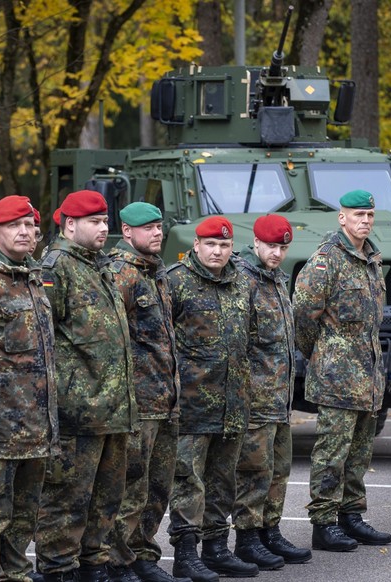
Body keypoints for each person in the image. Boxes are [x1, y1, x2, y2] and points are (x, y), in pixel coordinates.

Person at [35, 189, 136, 582]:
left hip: (113, 406)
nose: (103, 228)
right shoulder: (56, 267)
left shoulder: (100, 264)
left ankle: (94, 563)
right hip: (78, 410)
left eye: (105, 221)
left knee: (106, 497)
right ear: (70, 225)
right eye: (94, 222)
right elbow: (45, 338)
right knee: (67, 500)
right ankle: (59, 568)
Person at [293, 189, 391, 552]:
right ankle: (323, 522)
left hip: (368, 375)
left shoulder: (371, 259)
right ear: (342, 217)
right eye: (357, 214)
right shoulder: (326, 260)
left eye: (369, 214)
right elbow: (303, 314)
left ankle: (352, 515)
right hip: (337, 375)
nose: (364, 220)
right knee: (331, 452)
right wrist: (322, 352)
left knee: (360, 453)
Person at [0, 195, 57, 581]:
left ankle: (16, 568)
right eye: (15, 226)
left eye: (30, 226)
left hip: (37, 424)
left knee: (25, 510)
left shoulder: (35, 277)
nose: (25, 232)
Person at [166, 216, 257, 582]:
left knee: (223, 480)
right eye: (211, 245)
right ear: (197, 246)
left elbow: (248, 335)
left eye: (224, 245)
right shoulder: (175, 281)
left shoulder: (242, 281)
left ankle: (217, 549)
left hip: (232, 403)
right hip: (191, 402)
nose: (218, 251)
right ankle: (186, 555)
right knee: (188, 481)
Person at [106, 202, 186, 582]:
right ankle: (118, 560)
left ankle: (144, 555)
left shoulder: (157, 272)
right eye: (148, 227)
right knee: (131, 488)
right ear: (127, 232)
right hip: (138, 400)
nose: (157, 233)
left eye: (159, 227)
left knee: (158, 487)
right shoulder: (120, 274)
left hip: (165, 399)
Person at [231, 214, 311, 569]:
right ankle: (248, 537)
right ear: (257, 244)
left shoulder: (276, 280)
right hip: (255, 397)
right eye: (271, 246)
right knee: (253, 470)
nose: (277, 253)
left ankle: (270, 530)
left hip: (278, 397)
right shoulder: (243, 280)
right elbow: (237, 342)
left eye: (282, 247)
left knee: (279, 469)